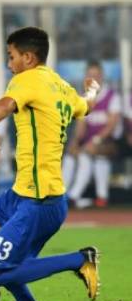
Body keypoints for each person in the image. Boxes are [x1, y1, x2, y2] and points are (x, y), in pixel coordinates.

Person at [0, 26, 101, 301]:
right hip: (23, 192)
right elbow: (86, 106)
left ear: (28, 58)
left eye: (11, 56)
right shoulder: (60, 86)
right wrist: (92, 89)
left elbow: (4, 106)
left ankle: (80, 260)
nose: (9, 63)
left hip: (40, 202)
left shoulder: (27, 80)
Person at [62, 60, 121, 208]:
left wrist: (95, 141)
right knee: (70, 154)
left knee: (86, 154)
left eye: (96, 75)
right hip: (89, 143)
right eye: (90, 75)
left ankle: (75, 196)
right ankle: (62, 194)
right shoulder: (86, 98)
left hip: (110, 143)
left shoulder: (112, 96)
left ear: (102, 76)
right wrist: (75, 142)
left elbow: (111, 126)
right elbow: (81, 126)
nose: (94, 79)